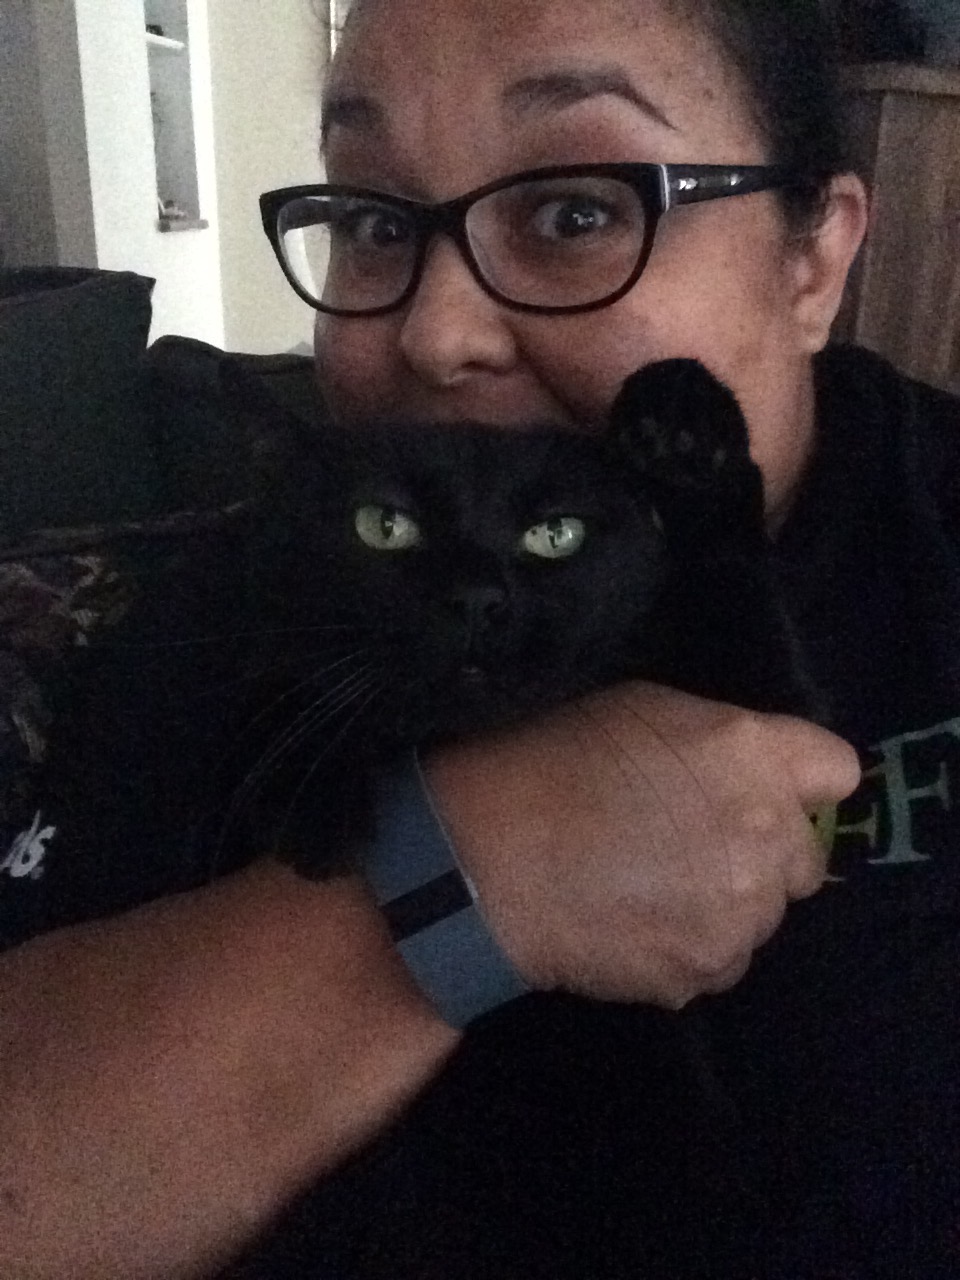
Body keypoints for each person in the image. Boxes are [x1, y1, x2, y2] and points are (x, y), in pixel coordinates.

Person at [0, 0, 957, 1275]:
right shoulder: (231, 610)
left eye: (576, 212)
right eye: (375, 222)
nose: (437, 335)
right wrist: (461, 884)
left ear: (814, 260)